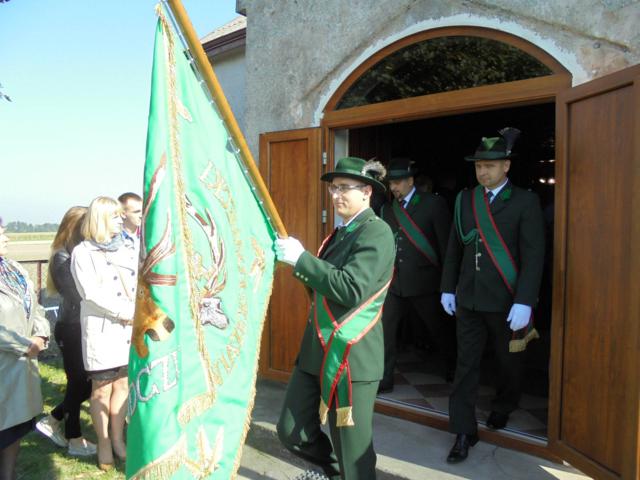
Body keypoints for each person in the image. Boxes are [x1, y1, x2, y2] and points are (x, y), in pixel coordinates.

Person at [275, 157, 395, 480]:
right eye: (333, 188)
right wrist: (299, 263)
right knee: (291, 429)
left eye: (344, 188)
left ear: (367, 192)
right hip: (317, 351)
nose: (336, 194)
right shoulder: (340, 233)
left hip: (352, 355)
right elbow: (323, 287)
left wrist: (302, 259)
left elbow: (351, 288)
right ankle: (334, 473)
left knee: (353, 453)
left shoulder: (376, 232)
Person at [440, 128, 545, 463]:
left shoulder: (525, 201)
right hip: (469, 299)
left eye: (490, 165)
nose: (483, 172)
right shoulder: (465, 199)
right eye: (478, 166)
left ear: (506, 166)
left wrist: (525, 300)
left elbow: (534, 255)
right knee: (465, 365)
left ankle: (504, 405)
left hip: (506, 301)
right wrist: (447, 287)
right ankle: (463, 431)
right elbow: (454, 248)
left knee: (508, 361)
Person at [71, 196, 137, 470]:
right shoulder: (83, 252)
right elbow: (90, 293)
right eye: (114, 216)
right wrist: (123, 312)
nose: (121, 220)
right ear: (100, 219)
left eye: (121, 215)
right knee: (101, 390)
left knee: (122, 385)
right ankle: (104, 442)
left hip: (128, 330)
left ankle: (118, 438)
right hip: (103, 331)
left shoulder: (128, 248)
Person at [378, 158, 453, 393]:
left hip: (426, 283)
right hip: (394, 283)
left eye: (398, 182)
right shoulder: (387, 209)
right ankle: (384, 378)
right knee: (385, 331)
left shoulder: (433, 204)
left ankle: (452, 368)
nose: (393, 188)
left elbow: (446, 247)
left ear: (411, 181)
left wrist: (448, 285)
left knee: (439, 329)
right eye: (391, 183)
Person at [35, 206, 97, 456]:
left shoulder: (81, 252)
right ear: (76, 226)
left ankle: (53, 420)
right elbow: (78, 295)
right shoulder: (62, 257)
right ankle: (74, 439)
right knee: (79, 383)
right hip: (71, 328)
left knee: (87, 384)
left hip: (83, 325)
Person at [0, 220, 50, 480]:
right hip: (7, 361)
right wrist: (25, 345)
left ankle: (8, 474)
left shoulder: (14, 269)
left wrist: (41, 334)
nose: (6, 238)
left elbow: (36, 306)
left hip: (20, 365)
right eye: (1, 234)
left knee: (15, 426)